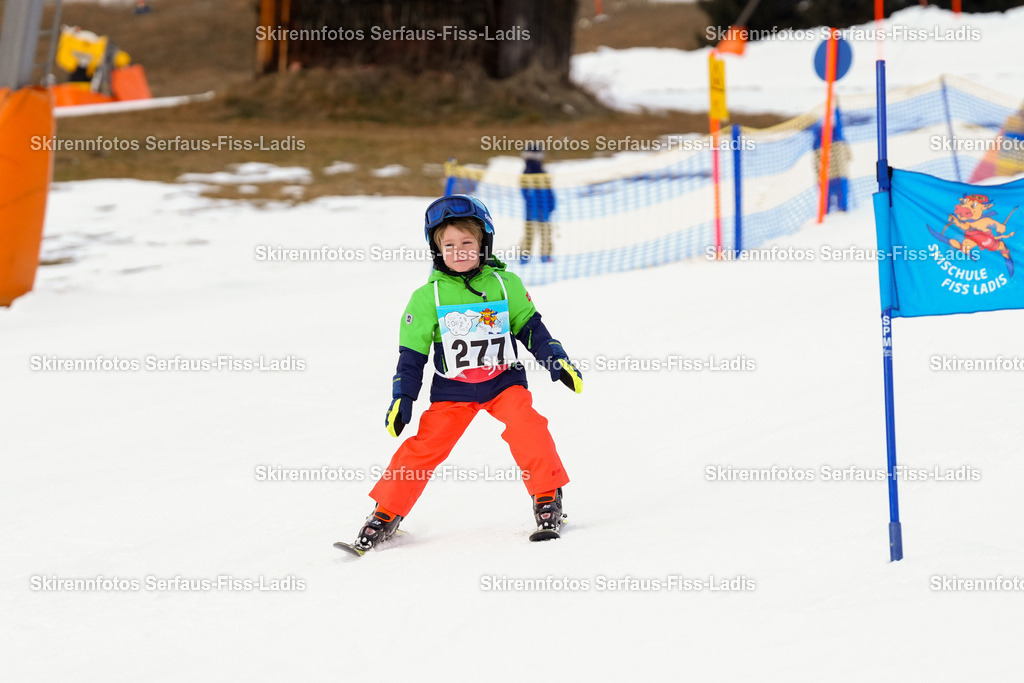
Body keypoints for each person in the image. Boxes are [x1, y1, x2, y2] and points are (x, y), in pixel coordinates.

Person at [350, 194, 583, 550]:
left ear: (484, 244)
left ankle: (547, 497)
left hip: (503, 382)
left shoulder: (507, 285)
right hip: (453, 392)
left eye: (467, 243)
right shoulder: (427, 297)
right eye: (449, 245)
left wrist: (556, 358)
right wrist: (403, 397)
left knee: (528, 427)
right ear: (436, 249)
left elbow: (530, 326)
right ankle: (386, 512)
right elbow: (412, 354)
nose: (458, 251)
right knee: (422, 448)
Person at [520, 145, 557, 263]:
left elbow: (549, 191)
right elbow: (525, 192)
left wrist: (551, 204)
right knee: (530, 234)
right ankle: (524, 256)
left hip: (544, 209)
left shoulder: (543, 174)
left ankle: (545, 256)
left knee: (545, 233)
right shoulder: (527, 174)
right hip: (532, 210)